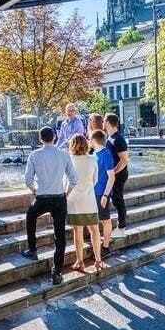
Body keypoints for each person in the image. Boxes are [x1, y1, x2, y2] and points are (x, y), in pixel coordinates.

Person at [22, 126, 77, 285]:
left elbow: (28, 180)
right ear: (54, 137)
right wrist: (66, 194)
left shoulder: (34, 155)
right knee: (59, 236)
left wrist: (35, 190)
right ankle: (56, 272)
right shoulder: (64, 154)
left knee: (30, 216)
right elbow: (74, 179)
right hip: (59, 198)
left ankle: (32, 250)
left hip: (42, 197)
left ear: (40, 139)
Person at [66, 135, 108, 272]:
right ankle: (98, 260)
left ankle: (80, 261)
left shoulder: (69, 160)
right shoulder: (92, 159)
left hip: (74, 200)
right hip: (89, 199)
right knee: (95, 230)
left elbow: (65, 182)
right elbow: (95, 180)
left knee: (77, 232)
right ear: (86, 144)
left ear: (72, 145)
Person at [89, 129, 116, 259]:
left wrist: (106, 195)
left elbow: (111, 177)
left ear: (94, 140)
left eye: (90, 139)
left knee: (105, 220)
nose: (89, 141)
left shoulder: (106, 154)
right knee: (97, 220)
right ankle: (98, 242)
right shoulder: (94, 153)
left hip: (101, 193)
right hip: (93, 192)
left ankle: (105, 247)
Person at [103, 113, 130, 239]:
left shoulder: (117, 139)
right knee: (116, 199)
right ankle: (120, 226)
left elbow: (124, 160)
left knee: (118, 200)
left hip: (119, 175)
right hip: (115, 175)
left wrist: (113, 172)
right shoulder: (111, 138)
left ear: (108, 122)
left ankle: (121, 228)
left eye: (104, 121)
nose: (102, 123)